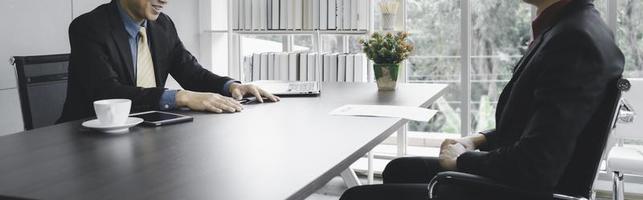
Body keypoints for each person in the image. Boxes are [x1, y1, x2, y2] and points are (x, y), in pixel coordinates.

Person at [340, 0, 624, 199]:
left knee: (355, 196)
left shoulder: (574, 41)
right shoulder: (574, 26)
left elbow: (536, 166)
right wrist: (478, 140)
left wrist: (463, 161)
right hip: (524, 179)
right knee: (399, 168)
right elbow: (538, 125)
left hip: (523, 191)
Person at [57, 0, 279, 123]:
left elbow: (191, 72)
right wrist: (181, 97)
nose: (165, 1)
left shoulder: (162, 25)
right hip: (87, 140)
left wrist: (231, 86)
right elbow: (106, 93)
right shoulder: (88, 27)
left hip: (146, 133)